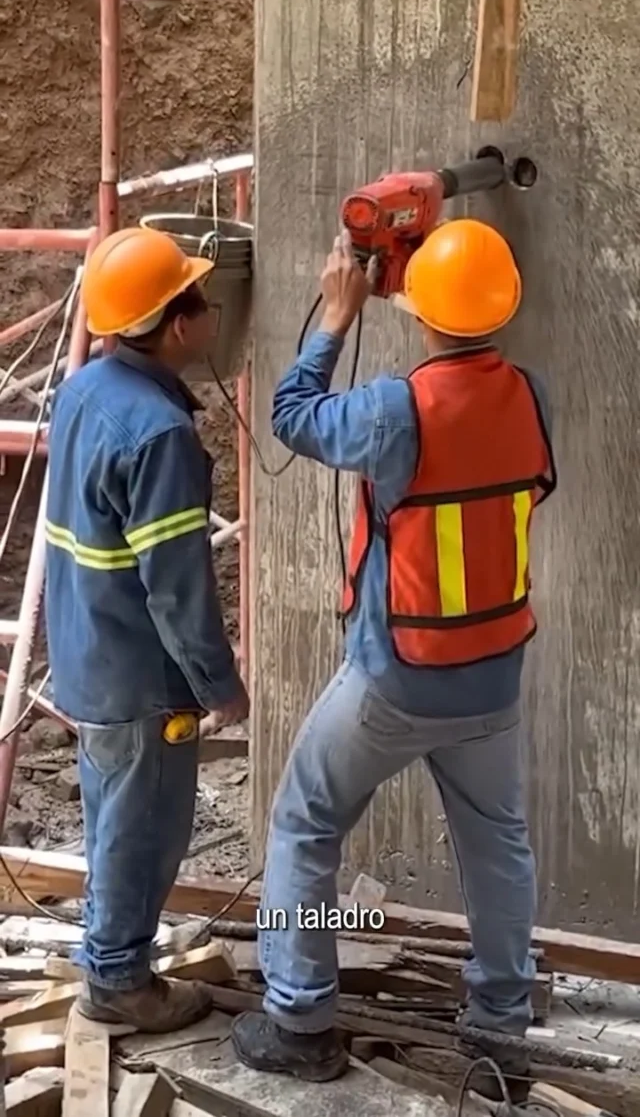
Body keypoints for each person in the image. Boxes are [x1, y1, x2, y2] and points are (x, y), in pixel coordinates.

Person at [231, 221, 556, 1101]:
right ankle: (499, 1031)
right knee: (499, 847)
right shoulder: (530, 396)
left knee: (305, 823)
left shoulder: (394, 409)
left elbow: (293, 418)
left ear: (415, 305)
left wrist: (335, 316)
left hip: (393, 676)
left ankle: (299, 1018)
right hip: (493, 672)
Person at [45, 226, 249, 1033]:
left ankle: (110, 952)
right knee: (144, 827)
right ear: (176, 325)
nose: (210, 318)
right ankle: (121, 981)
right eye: (200, 303)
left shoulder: (86, 389)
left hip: (89, 653)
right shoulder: (160, 434)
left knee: (111, 814)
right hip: (139, 676)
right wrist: (218, 685)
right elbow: (176, 588)